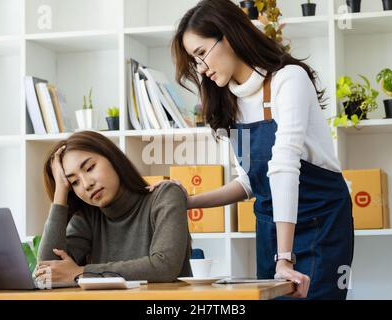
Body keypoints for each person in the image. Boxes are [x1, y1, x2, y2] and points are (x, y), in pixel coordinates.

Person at [149, 0, 354, 299]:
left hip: (321, 220)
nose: (201, 68)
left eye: (202, 54)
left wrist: (285, 258)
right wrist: (187, 202)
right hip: (272, 228)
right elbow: (249, 181)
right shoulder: (229, 103)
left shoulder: (288, 80)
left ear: (229, 35)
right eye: (195, 61)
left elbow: (284, 166)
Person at [34, 131, 192, 285]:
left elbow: (165, 267)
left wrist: (82, 273)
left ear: (112, 158)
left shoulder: (165, 195)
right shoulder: (87, 217)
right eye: (74, 182)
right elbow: (47, 273)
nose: (86, 184)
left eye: (89, 168)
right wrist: (60, 190)